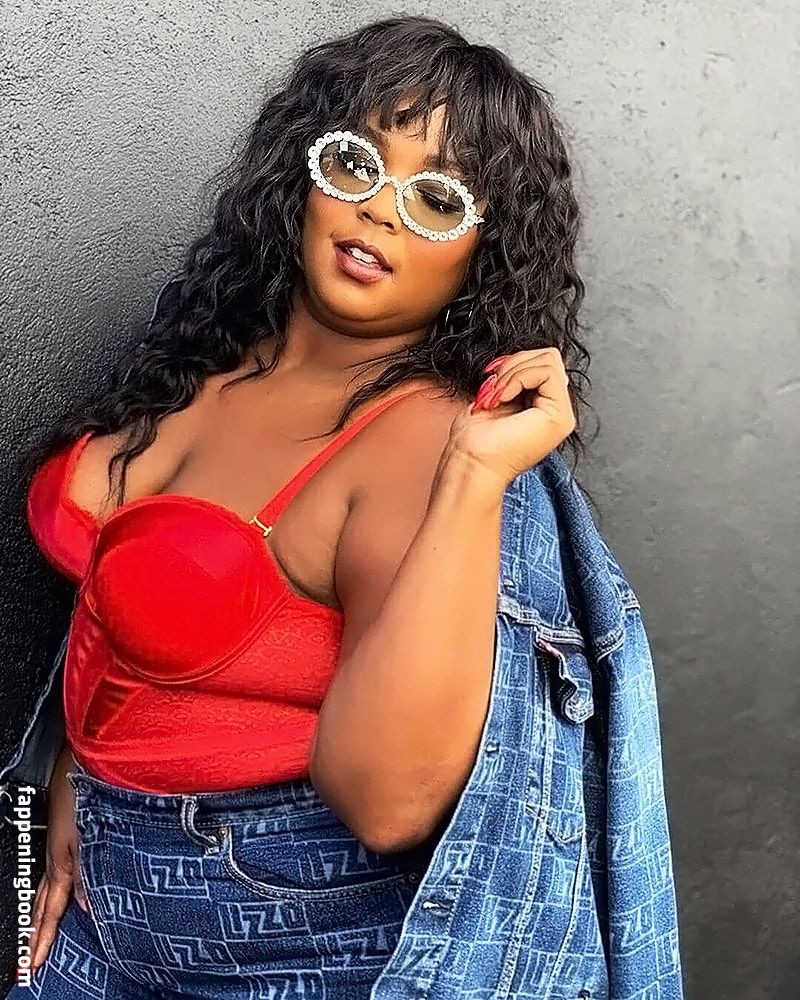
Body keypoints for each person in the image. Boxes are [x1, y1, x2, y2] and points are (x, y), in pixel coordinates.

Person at [9, 14, 588, 997]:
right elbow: (114, 607)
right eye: (356, 163)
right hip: (93, 899)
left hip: (288, 934)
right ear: (302, 172)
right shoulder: (199, 355)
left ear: (482, 252)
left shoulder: (423, 442)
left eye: (436, 199)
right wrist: (73, 775)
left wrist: (471, 480)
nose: (382, 212)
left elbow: (387, 803)